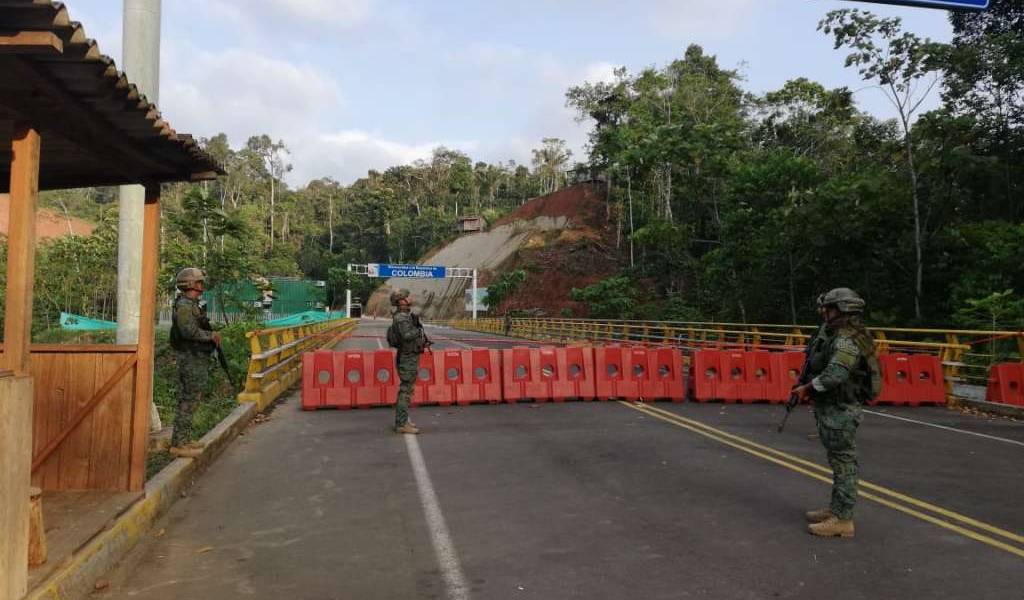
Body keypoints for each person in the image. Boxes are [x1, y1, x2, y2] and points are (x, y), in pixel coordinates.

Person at [791, 287, 880, 538]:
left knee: (843, 462)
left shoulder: (846, 339)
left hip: (842, 407)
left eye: (828, 308)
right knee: (838, 460)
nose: (823, 312)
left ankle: (842, 519)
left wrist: (807, 388)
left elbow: (835, 375)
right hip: (835, 405)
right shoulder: (841, 333)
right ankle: (836, 509)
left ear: (840, 310)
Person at [168, 268, 221, 458]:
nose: (202, 285)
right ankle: (179, 444)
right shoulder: (184, 306)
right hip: (190, 357)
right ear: (190, 284)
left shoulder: (191, 304)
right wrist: (210, 335)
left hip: (195, 356)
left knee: (193, 398)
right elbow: (188, 331)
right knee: (189, 398)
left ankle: (184, 439)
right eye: (199, 282)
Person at [389, 289, 430, 434]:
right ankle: (401, 424)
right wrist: (418, 330)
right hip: (407, 358)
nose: (409, 298)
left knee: (407, 390)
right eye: (407, 297)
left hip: (410, 356)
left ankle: (403, 421)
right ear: (401, 301)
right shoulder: (401, 318)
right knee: (405, 390)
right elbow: (406, 336)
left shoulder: (405, 316)